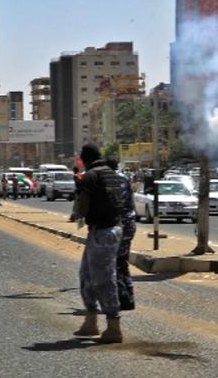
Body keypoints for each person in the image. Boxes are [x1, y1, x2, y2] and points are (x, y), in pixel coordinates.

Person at [74, 144, 124, 343]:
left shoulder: (91, 175)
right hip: (109, 229)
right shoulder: (110, 173)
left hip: (103, 231)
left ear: (84, 159)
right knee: (86, 275)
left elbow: (83, 204)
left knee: (103, 279)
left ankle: (113, 327)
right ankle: (91, 322)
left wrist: (78, 213)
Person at [107, 158, 136, 311]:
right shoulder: (124, 178)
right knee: (122, 263)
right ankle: (129, 299)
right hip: (129, 224)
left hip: (118, 225)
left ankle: (122, 298)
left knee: (114, 263)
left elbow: (113, 204)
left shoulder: (110, 181)